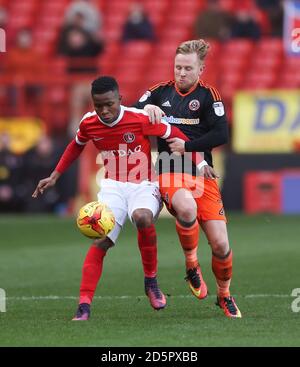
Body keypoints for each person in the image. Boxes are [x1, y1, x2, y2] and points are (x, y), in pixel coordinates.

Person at [32, 76, 207, 320]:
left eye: (109, 104)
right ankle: (84, 304)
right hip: (112, 186)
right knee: (101, 240)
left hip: (144, 184)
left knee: (142, 218)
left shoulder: (139, 118)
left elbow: (174, 132)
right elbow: (76, 145)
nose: (104, 110)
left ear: (120, 99)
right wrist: (54, 176)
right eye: (98, 105)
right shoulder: (89, 123)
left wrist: (200, 163)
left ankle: (151, 283)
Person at [135, 39, 242, 318]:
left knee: (221, 245)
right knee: (186, 207)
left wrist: (189, 147)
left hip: (202, 174)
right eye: (178, 67)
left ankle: (224, 296)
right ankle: (192, 265)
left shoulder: (210, 96)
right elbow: (133, 113)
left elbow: (222, 135)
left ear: (201, 69)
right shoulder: (159, 92)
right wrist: (145, 111)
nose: (181, 73)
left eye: (187, 68)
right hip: (170, 169)